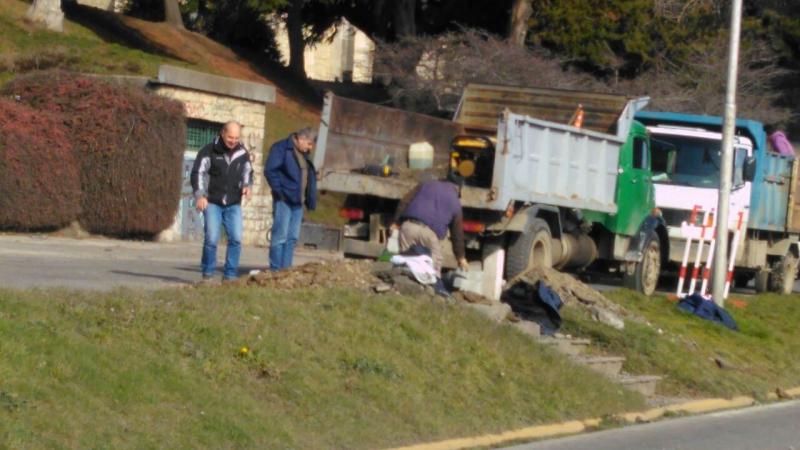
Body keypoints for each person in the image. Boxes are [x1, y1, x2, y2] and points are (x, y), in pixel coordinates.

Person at [190, 121, 253, 283]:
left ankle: (230, 276)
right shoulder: (208, 151)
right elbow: (198, 173)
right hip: (212, 202)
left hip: (233, 203)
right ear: (222, 133)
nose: (233, 141)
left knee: (236, 239)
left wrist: (247, 186)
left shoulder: (242, 152)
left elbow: (248, 171)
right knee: (211, 239)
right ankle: (207, 275)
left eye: (237, 138)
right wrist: (200, 196)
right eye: (230, 137)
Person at [391, 173, 469, 274]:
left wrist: (396, 222)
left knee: (405, 263)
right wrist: (460, 257)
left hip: (408, 228)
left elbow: (404, 201)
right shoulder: (456, 204)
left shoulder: (426, 184)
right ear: (459, 188)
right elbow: (457, 234)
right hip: (429, 235)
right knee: (433, 273)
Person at [265, 127, 318, 271]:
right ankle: (275, 271)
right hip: (284, 200)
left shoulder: (304, 154)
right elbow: (270, 170)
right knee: (280, 238)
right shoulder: (281, 148)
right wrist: (280, 192)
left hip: (298, 203)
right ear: (301, 139)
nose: (310, 148)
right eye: (309, 144)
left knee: (292, 238)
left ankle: (286, 271)